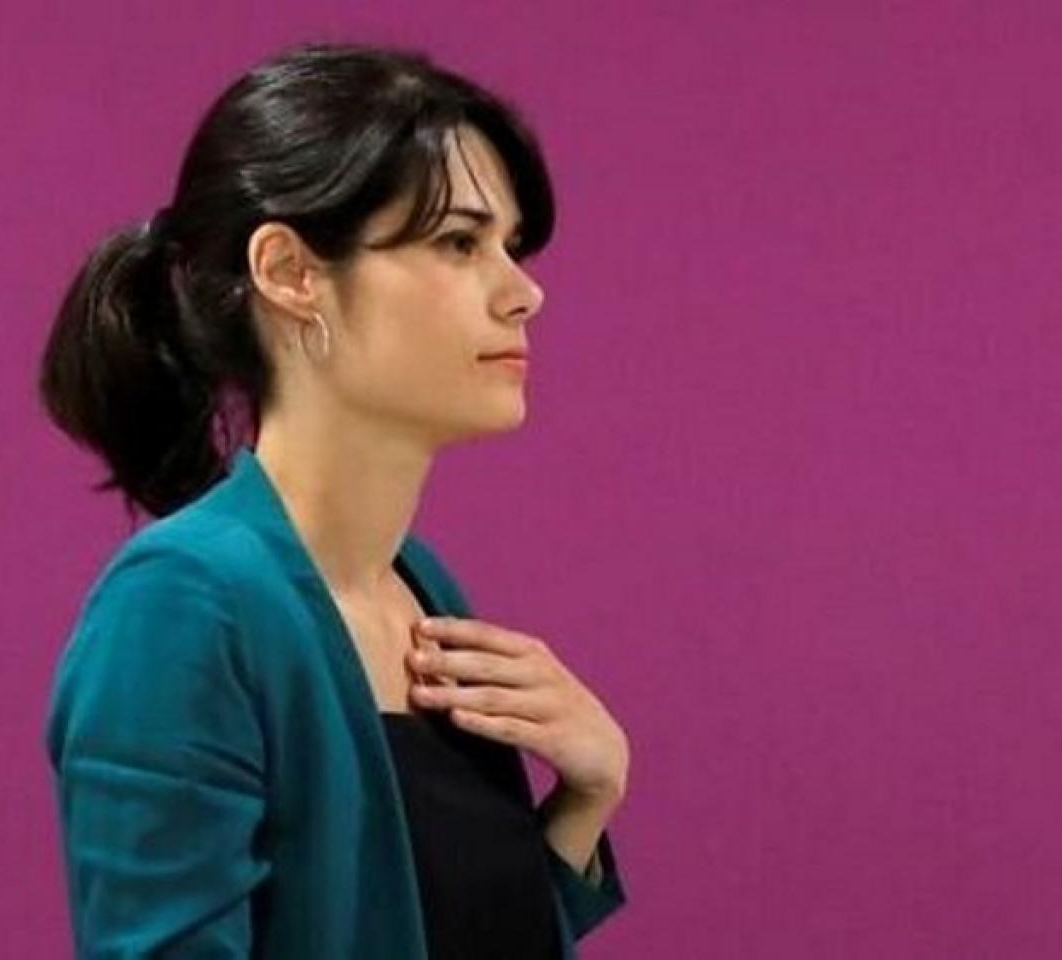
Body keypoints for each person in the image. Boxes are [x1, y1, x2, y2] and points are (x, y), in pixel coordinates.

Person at [37, 41, 629, 958]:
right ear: (290, 272)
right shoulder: (182, 605)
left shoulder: (419, 586)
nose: (524, 293)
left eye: (510, 247)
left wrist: (586, 803)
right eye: (459, 242)